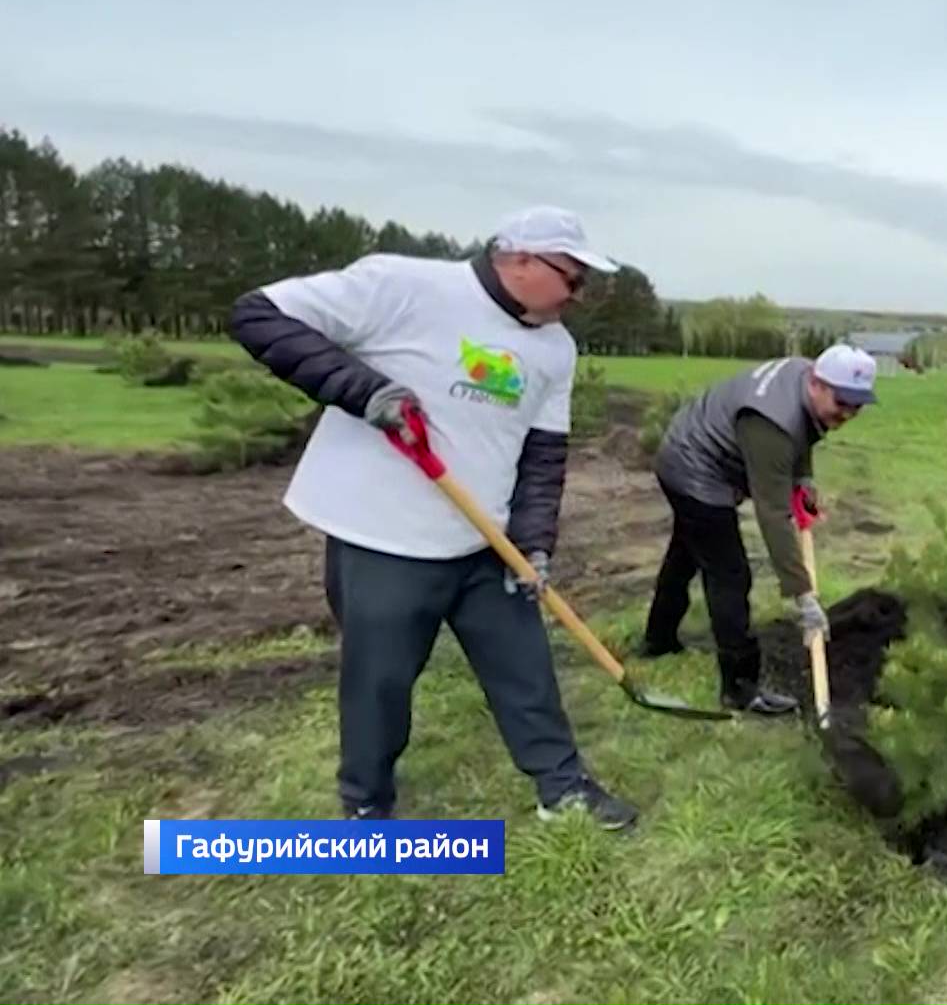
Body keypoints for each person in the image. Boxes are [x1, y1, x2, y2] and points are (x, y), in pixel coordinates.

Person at [229, 205, 639, 830]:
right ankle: (367, 802)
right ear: (520, 260)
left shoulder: (556, 349)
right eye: (572, 278)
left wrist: (533, 543)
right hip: (384, 536)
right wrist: (364, 390)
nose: (578, 295)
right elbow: (257, 314)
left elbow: (543, 454)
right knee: (381, 681)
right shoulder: (403, 286)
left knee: (525, 667)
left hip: (485, 540)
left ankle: (562, 788)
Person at [640, 344, 878, 715]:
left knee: (686, 553)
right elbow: (773, 514)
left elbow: (803, 433)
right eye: (842, 402)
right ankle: (740, 688)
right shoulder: (771, 422)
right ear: (817, 383)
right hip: (695, 468)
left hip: (690, 445)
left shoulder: (803, 378)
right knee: (730, 575)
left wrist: (803, 477)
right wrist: (802, 594)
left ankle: (658, 639)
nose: (848, 413)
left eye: (857, 405)